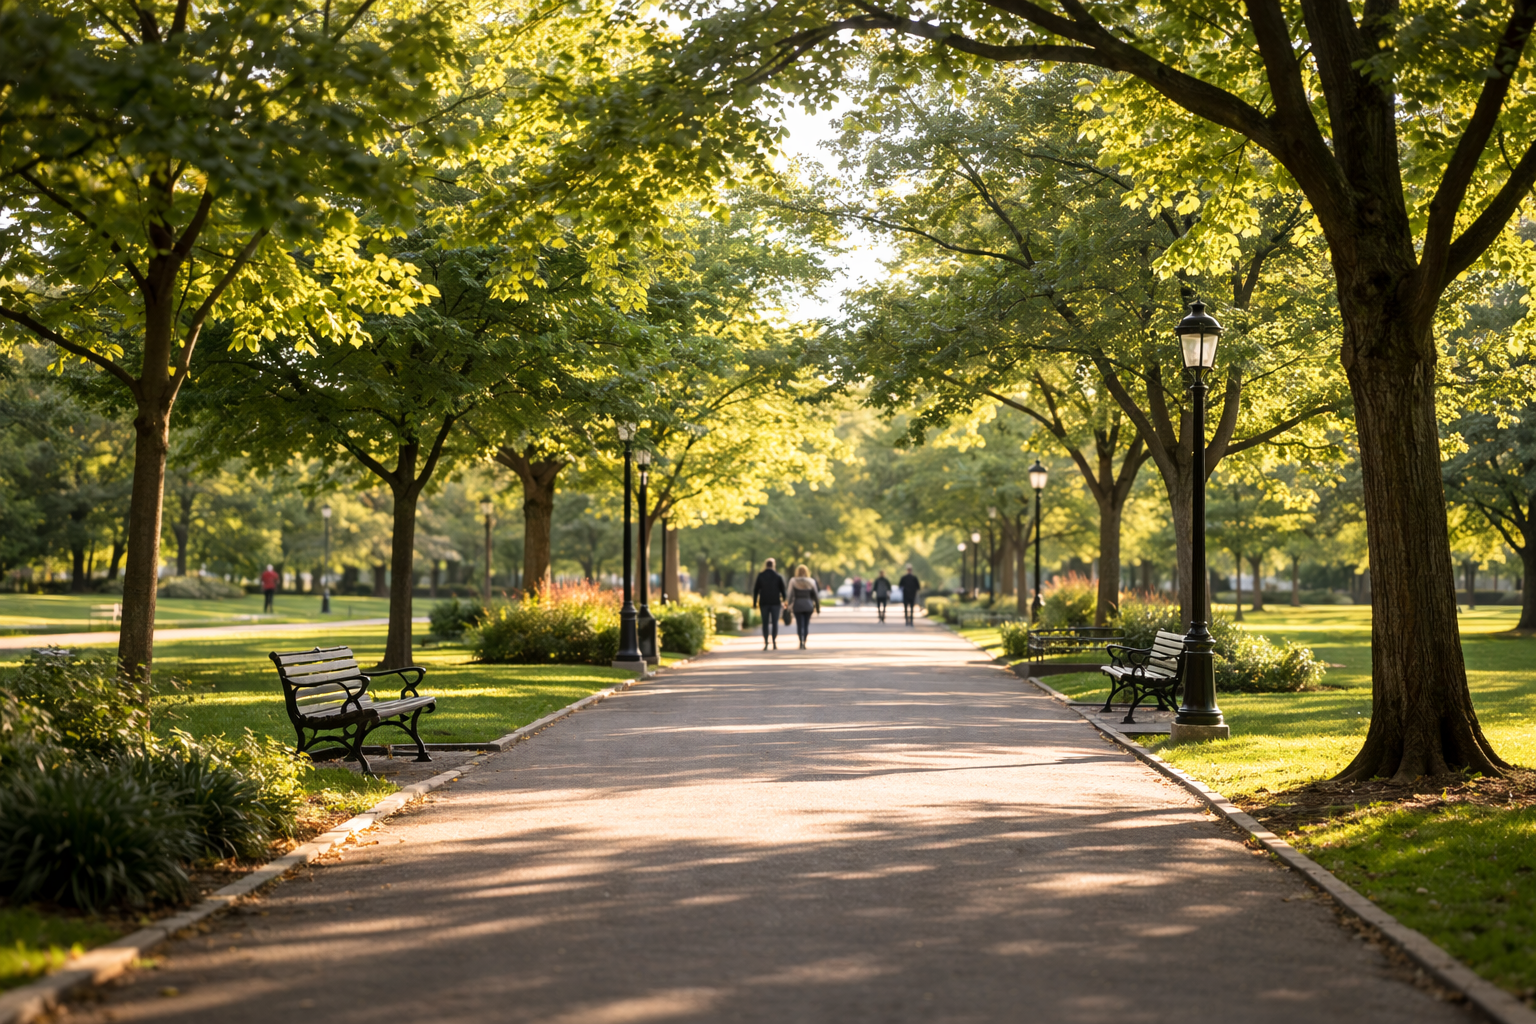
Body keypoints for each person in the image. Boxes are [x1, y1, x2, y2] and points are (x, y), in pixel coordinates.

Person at [752, 558, 787, 650]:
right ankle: (774, 642)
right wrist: (785, 601)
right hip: (775, 602)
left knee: (765, 622)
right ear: (773, 565)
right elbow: (783, 590)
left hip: (764, 602)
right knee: (775, 622)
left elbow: (756, 590)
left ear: (765, 565)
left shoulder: (761, 575)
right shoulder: (778, 576)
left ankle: (766, 642)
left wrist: (755, 603)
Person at [787, 564, 821, 649]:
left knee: (799, 624)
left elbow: (790, 595)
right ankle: (804, 641)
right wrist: (817, 607)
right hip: (808, 605)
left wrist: (788, 605)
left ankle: (800, 641)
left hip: (797, 605)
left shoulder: (793, 581)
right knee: (806, 625)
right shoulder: (811, 581)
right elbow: (816, 596)